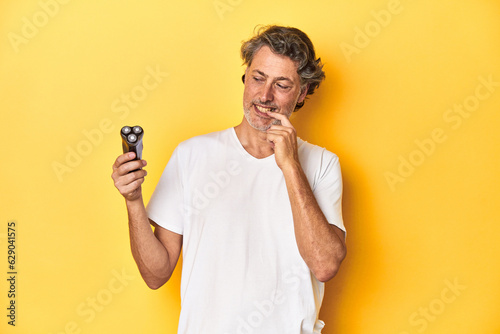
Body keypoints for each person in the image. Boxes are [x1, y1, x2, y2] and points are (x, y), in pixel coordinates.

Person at [112, 25, 346, 334]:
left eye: (282, 84)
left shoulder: (322, 165)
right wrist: (132, 201)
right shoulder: (192, 155)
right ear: (245, 78)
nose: (265, 95)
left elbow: (325, 264)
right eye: (258, 78)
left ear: (302, 92)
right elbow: (155, 274)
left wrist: (290, 165)